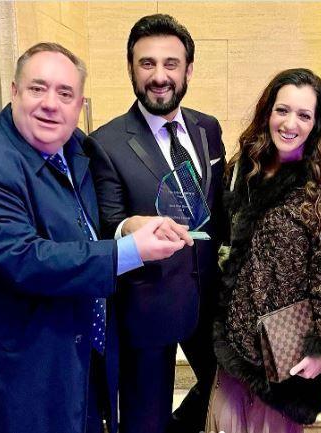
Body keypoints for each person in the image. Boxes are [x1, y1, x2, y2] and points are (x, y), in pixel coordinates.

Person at [0, 42, 188, 433]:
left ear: (80, 103)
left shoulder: (78, 147)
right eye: (37, 88)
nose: (51, 103)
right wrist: (127, 251)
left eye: (65, 93)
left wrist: (125, 227)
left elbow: (81, 227)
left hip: (73, 361)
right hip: (12, 377)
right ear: (13, 91)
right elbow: (24, 258)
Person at [84, 14, 226, 433]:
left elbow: (216, 208)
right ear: (130, 67)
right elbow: (109, 221)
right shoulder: (106, 143)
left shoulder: (207, 128)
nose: (159, 76)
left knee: (227, 391)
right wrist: (130, 226)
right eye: (147, 64)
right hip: (148, 307)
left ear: (188, 70)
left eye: (171, 63)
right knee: (146, 422)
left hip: (209, 301)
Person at [208, 68, 321, 432]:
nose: (290, 123)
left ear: (316, 123)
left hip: (283, 346)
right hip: (236, 336)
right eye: (282, 110)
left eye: (304, 115)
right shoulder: (244, 170)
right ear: (268, 111)